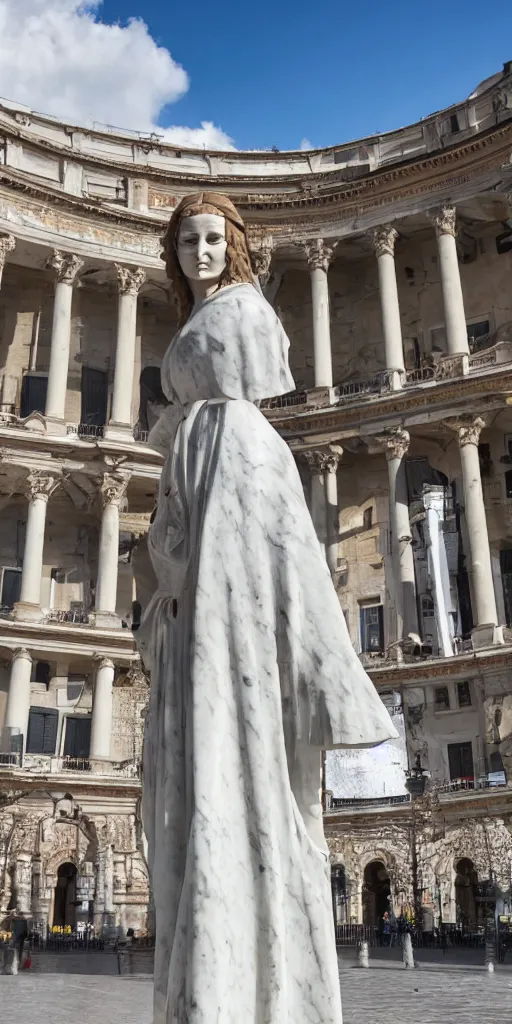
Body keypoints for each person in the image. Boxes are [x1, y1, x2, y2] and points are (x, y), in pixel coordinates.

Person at [137, 192, 398, 1024]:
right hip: (195, 503)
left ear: (236, 246)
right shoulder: (204, 405)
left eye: (215, 237)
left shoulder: (243, 374)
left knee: (230, 701)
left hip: (225, 498)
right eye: (188, 239)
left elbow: (267, 547)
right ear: (173, 251)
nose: (202, 250)